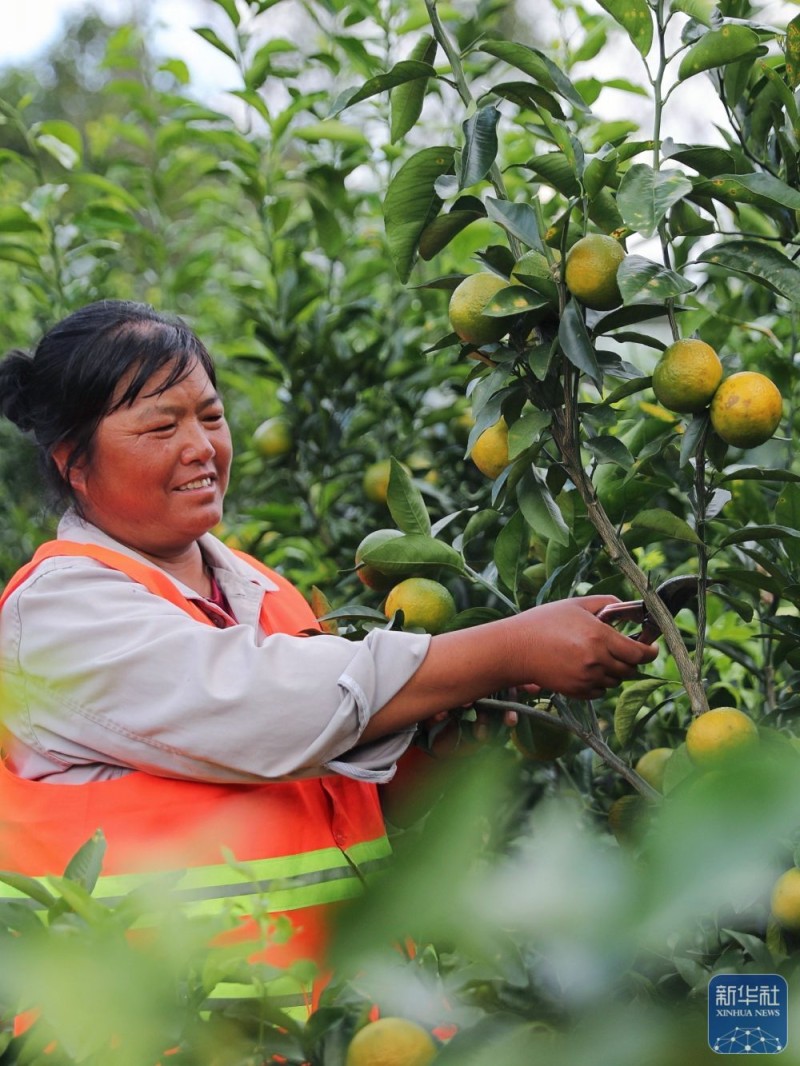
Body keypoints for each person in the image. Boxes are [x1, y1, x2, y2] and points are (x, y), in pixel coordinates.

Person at [0, 300, 657, 1018]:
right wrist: (502, 647)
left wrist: (445, 735)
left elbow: (326, 796)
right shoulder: (57, 614)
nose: (200, 448)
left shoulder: (264, 591)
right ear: (73, 462)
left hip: (339, 1026)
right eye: (162, 425)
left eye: (211, 417)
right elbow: (259, 709)